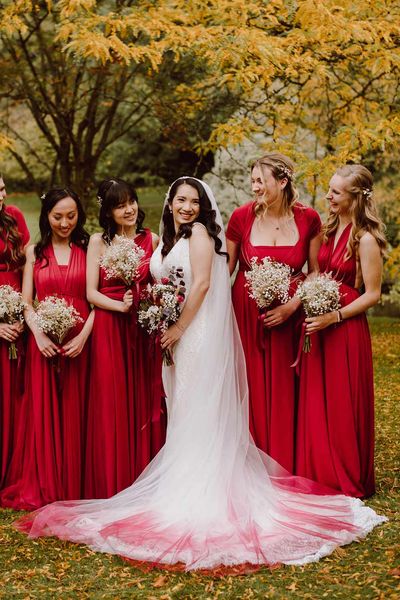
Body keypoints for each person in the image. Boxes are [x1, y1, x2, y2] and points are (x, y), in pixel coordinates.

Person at [15, 177, 385, 571]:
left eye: (193, 201)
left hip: (196, 335)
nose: (186, 207)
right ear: (170, 203)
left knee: (197, 406)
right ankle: (181, 482)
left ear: (202, 207)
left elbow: (205, 284)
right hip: (176, 335)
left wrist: (177, 327)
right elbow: (167, 283)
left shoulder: (201, 236)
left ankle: (200, 491)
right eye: (180, 200)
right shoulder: (167, 240)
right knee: (181, 407)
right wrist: (162, 316)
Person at [295, 164, 387, 498]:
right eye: (330, 190)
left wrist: (333, 317)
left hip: (344, 329)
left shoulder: (365, 240)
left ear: (355, 197)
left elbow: (373, 294)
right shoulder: (329, 229)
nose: (328, 196)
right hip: (320, 324)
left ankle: (345, 475)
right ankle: (319, 470)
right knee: (317, 401)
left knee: (341, 402)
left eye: (336, 192)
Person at [226, 153, 321, 472]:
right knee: (249, 387)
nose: (254, 188)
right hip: (246, 314)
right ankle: (250, 465)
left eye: (260, 181)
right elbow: (225, 268)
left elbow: (315, 272)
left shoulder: (309, 219)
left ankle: (284, 463)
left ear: (282, 182)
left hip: (288, 317)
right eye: (252, 181)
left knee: (284, 390)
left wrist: (293, 306)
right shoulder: (241, 217)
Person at [0, 188, 93, 509]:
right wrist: (37, 333)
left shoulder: (88, 246)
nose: (65, 222)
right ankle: (47, 478)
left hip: (81, 344)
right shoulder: (34, 252)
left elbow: (96, 300)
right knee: (45, 412)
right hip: (44, 342)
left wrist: (83, 337)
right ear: (46, 216)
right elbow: (26, 302)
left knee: (77, 410)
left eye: (71, 215)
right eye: (58, 216)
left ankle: (78, 480)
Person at [84, 178, 164, 499]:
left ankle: (145, 475)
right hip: (110, 326)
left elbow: (161, 282)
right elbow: (91, 293)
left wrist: (149, 303)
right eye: (119, 205)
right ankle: (115, 479)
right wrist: (120, 305)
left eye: (131, 201)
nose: (128, 209)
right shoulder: (97, 242)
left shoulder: (152, 240)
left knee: (144, 395)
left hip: (143, 326)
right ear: (108, 211)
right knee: (113, 398)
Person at [0, 176, 30, 489]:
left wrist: (23, 311)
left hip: (15, 315)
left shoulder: (15, 216)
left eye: (3, 188)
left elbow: (23, 266)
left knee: (14, 392)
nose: (3, 194)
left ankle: (11, 466)